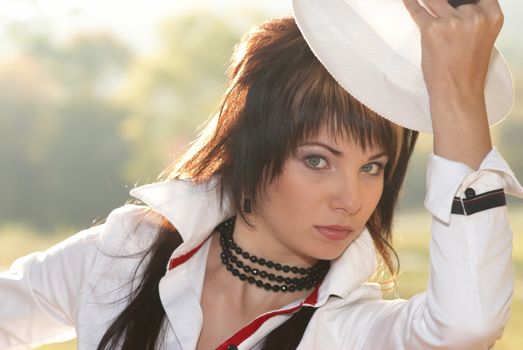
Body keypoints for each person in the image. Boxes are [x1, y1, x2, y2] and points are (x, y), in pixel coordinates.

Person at [1, 0, 522, 349]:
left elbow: (469, 323)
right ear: (254, 150)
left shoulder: (348, 331)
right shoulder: (124, 257)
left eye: (372, 168)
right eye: (317, 160)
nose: (351, 197)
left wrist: (457, 100)